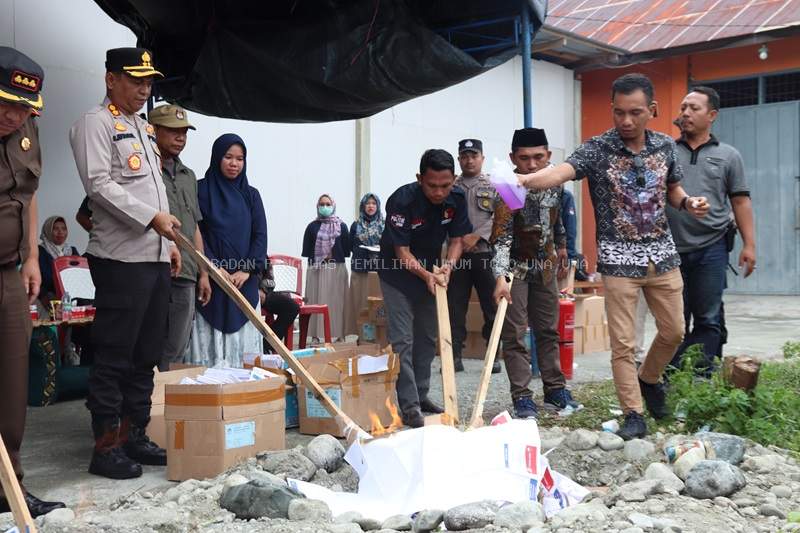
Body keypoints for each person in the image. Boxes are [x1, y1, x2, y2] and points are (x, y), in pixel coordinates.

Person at [513, 73, 710, 440]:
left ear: (652, 110)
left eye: (635, 112)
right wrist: (526, 181)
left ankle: (649, 379)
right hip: (618, 260)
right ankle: (633, 414)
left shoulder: (666, 146)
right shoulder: (597, 149)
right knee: (623, 343)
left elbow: (673, 188)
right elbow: (560, 172)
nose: (626, 121)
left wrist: (686, 202)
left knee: (674, 331)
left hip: (663, 256)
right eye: (619, 113)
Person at [70, 47, 182, 479]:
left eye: (149, 82)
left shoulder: (143, 128)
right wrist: (151, 219)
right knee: (115, 354)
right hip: (119, 260)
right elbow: (98, 185)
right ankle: (106, 446)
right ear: (110, 79)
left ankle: (135, 434)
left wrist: (168, 240)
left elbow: (157, 190)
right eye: (135, 80)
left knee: (146, 354)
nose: (143, 89)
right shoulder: (93, 125)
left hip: (153, 257)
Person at [0, 45, 66, 517]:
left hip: (8, 273)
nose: (13, 115)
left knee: (12, 384)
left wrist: (31, 259)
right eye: (5, 104)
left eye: (22, 108)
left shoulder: (28, 131)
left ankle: (9, 488)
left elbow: (29, 194)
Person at [491, 128, 580, 419]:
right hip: (516, 269)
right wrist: (500, 277)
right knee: (515, 335)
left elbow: (558, 224)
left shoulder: (555, 182)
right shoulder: (507, 186)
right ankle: (522, 396)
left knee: (549, 331)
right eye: (524, 158)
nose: (531, 165)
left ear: (549, 156)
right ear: (513, 158)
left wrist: (564, 248)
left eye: (538, 157)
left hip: (546, 268)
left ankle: (555, 389)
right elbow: (501, 237)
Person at [379, 149, 471, 427]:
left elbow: (457, 240)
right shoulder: (402, 200)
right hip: (398, 274)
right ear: (420, 178)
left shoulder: (457, 199)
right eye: (432, 186)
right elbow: (402, 252)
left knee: (428, 337)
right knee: (403, 339)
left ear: (454, 179)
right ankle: (408, 406)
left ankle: (422, 395)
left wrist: (448, 267)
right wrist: (426, 275)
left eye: (445, 185)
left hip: (431, 273)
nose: (439, 192)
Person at [667, 86, 756, 374]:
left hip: (712, 247)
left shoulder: (729, 156)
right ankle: (673, 377)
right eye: (683, 108)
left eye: (694, 108)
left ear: (712, 115)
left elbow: (740, 201)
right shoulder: (666, 151)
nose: (686, 113)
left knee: (708, 318)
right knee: (675, 321)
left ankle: (701, 378)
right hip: (671, 250)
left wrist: (749, 245)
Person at [188, 134, 267, 368]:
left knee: (244, 355)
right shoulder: (200, 190)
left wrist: (246, 270)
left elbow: (260, 236)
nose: (234, 163)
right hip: (211, 281)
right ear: (216, 158)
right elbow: (196, 231)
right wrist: (215, 269)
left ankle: (241, 396)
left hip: (244, 283)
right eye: (228, 157)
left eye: (240, 159)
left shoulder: (252, 196)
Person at [147, 104, 211, 369]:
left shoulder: (188, 176)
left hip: (184, 272)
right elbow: (89, 213)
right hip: (149, 268)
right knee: (148, 343)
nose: (180, 138)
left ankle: (160, 402)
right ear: (154, 131)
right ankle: (145, 403)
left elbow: (193, 226)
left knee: (176, 346)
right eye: (173, 131)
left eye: (184, 132)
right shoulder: (141, 169)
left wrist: (204, 273)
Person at [447, 139, 500, 374]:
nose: (469, 160)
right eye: (465, 156)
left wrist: (477, 236)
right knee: (455, 308)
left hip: (485, 254)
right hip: (457, 258)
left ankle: (493, 355)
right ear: (459, 159)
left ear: (482, 158)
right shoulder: (450, 186)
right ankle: (454, 356)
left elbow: (502, 216)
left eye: (474, 155)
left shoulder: (494, 184)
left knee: (491, 306)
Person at [302, 194, 351, 341]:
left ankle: (338, 335)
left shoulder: (341, 226)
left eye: (328, 204)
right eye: (322, 204)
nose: (325, 207)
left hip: (336, 268)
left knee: (337, 302)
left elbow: (346, 250)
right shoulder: (311, 227)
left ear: (333, 206)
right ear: (317, 207)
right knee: (315, 301)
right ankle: (316, 335)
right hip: (316, 269)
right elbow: (307, 251)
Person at [347, 192, 383, 336]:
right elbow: (350, 246)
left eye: (374, 203)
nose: (370, 206)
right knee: (360, 305)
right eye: (368, 203)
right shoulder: (356, 225)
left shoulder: (384, 225)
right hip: (359, 270)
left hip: (378, 272)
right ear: (363, 206)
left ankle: (378, 337)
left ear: (378, 206)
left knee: (376, 306)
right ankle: (362, 337)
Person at [37, 215, 80, 305]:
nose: (60, 232)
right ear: (48, 230)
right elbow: (40, 279)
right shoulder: (40, 251)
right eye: (55, 229)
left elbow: (79, 275)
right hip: (49, 297)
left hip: (73, 296)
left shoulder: (72, 251)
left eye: (64, 229)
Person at [258, 258, 300, 347]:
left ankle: (266, 345)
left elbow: (269, 278)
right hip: (241, 291)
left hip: (262, 292)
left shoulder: (259, 249)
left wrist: (262, 289)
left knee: (292, 307)